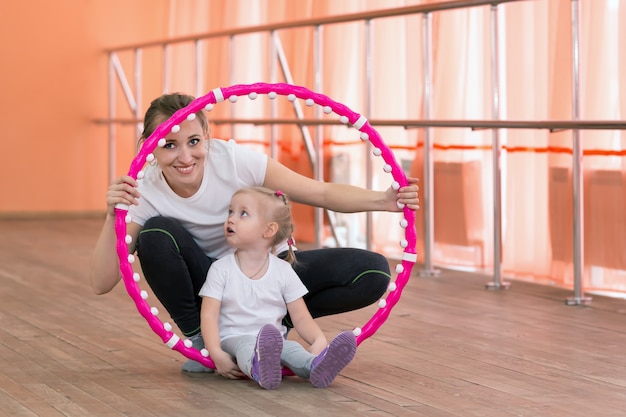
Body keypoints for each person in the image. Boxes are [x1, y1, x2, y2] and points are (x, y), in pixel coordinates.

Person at [89, 92, 419, 374]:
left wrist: (383, 200)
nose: (185, 156)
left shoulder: (232, 160)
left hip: (264, 278)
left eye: (193, 141)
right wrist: (111, 216)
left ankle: (270, 331)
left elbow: (318, 193)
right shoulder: (143, 190)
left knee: (374, 272)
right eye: (169, 145)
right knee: (156, 234)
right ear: (148, 146)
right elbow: (101, 283)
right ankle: (203, 341)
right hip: (211, 287)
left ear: (208, 136)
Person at [200, 187, 357, 389]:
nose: (231, 219)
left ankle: (317, 367)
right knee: (246, 346)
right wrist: (216, 353)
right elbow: (209, 316)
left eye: (243, 213)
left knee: (291, 348)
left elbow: (300, 316)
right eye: (230, 212)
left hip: (272, 341)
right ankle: (258, 368)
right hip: (233, 338)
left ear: (269, 230)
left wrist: (317, 339)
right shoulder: (220, 269)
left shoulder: (283, 271)